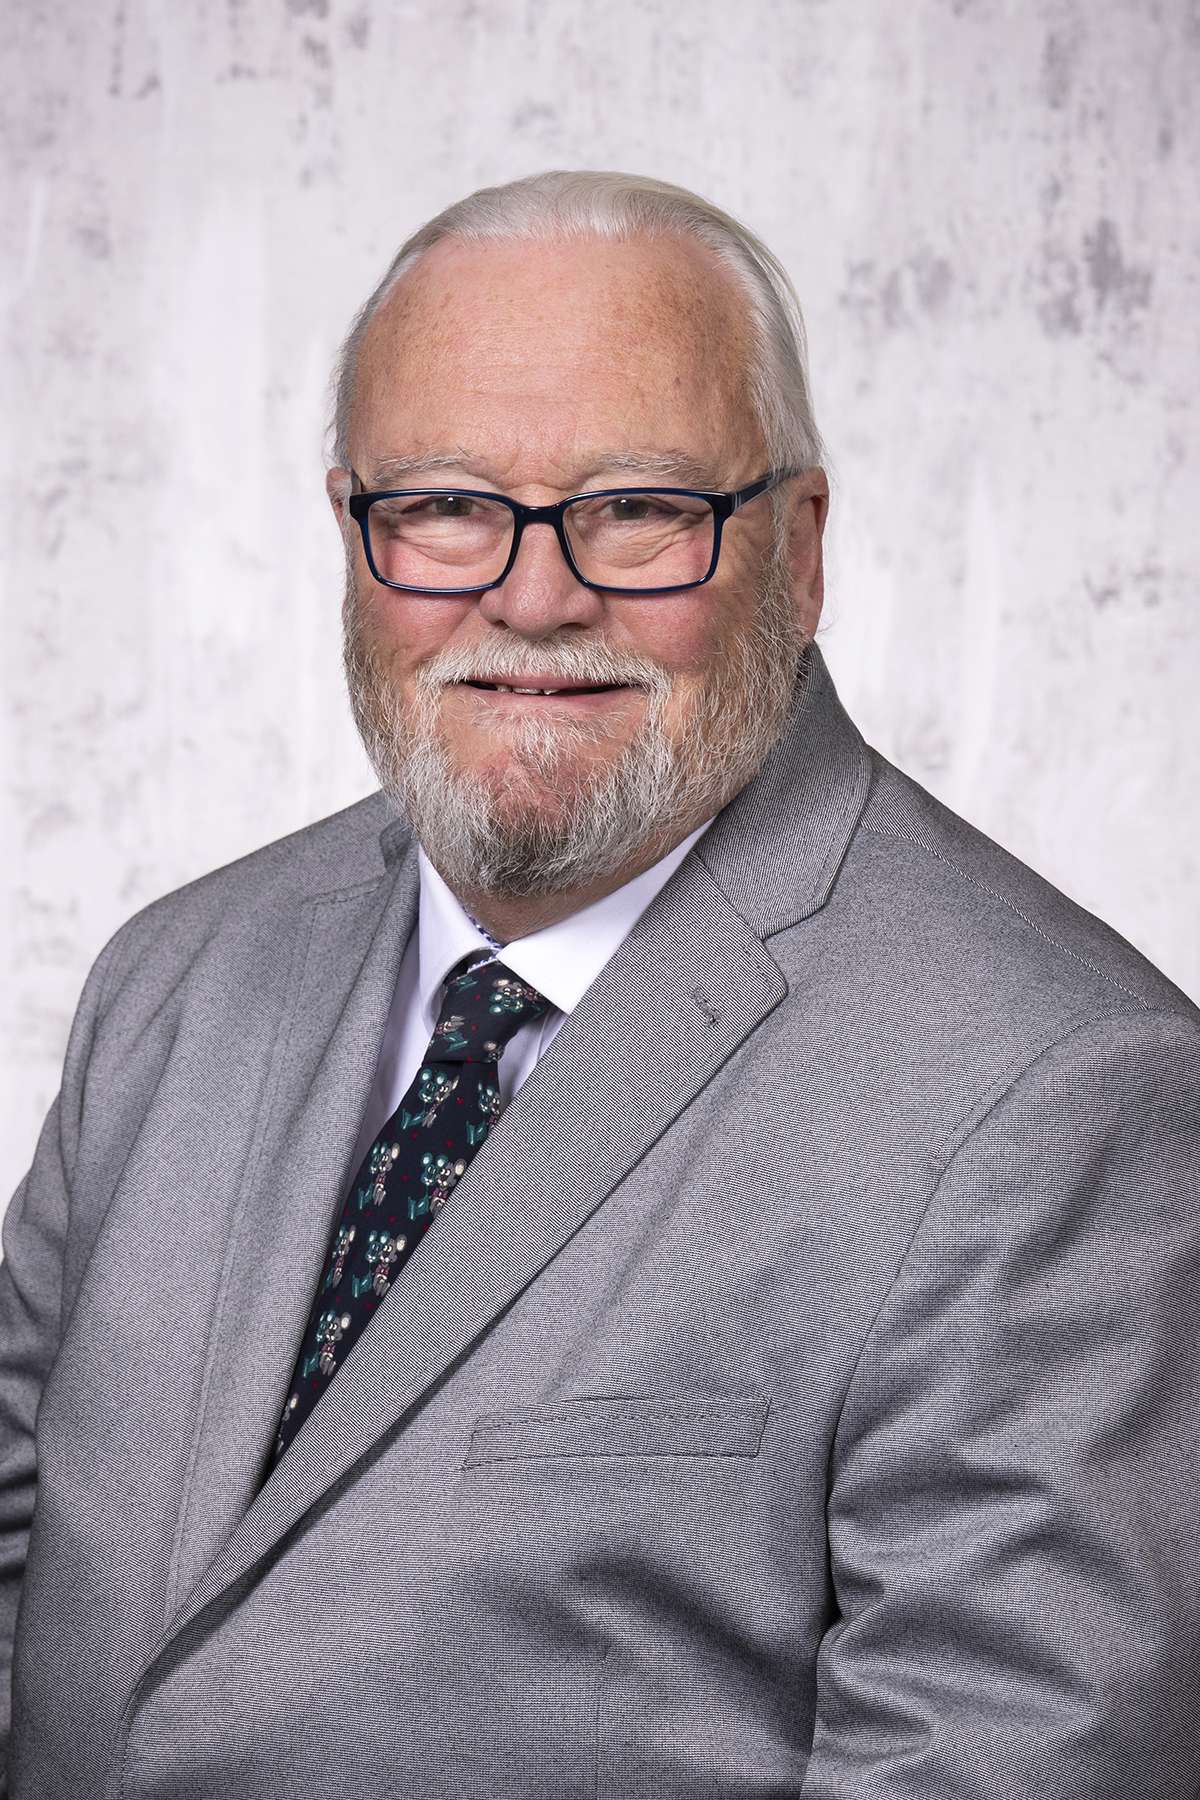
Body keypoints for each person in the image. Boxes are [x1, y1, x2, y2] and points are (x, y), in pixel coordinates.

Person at [2, 170, 1197, 1800]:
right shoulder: (177, 981)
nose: (535, 595)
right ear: (353, 527)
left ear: (799, 549)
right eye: (444, 504)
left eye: (636, 508)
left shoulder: (1060, 1091)